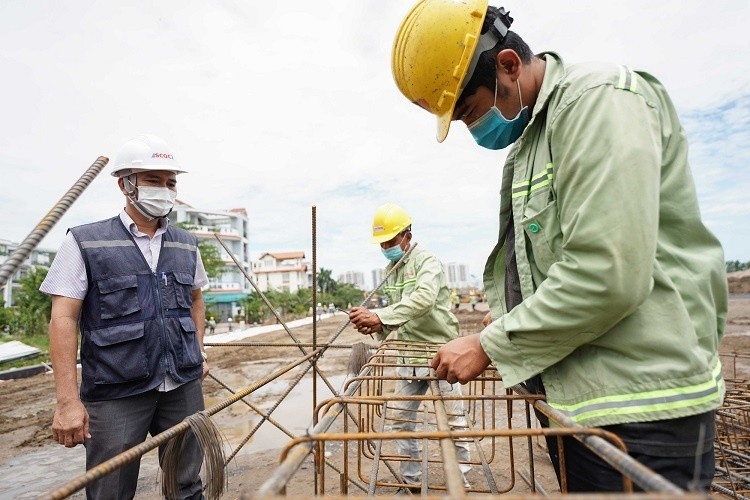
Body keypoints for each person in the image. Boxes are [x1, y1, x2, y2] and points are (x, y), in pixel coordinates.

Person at [391, 1, 726, 492]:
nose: (472, 128)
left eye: (468, 111)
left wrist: (490, 344)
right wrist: (511, 313)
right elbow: (559, 263)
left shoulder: (598, 102)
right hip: (582, 403)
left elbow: (606, 273)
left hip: (643, 409)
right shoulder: (532, 142)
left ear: (508, 65)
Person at [40, 134, 209, 499]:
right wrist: (68, 402)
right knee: (109, 490)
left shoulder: (186, 243)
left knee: (187, 484)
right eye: (153, 180)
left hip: (182, 385)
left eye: (170, 182)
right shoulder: (85, 241)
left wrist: (198, 351)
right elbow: (63, 319)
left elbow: (195, 299)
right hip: (116, 391)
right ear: (125, 184)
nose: (164, 190)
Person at [349, 203, 471, 490]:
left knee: (453, 422)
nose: (387, 247)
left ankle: (461, 482)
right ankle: (412, 480)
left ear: (407, 235)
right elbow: (395, 313)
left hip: (441, 350)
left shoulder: (427, 262)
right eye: (383, 243)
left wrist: (380, 316)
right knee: (401, 420)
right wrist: (375, 326)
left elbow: (423, 299)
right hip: (408, 354)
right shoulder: (390, 270)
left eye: (391, 241)